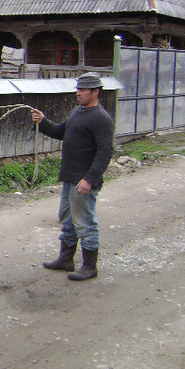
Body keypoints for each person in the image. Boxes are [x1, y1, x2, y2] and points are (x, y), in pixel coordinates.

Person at [30, 72, 114, 280]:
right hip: (69, 177)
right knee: (68, 221)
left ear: (95, 92)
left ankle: (89, 266)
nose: (78, 93)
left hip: (83, 180)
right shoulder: (78, 111)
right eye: (77, 89)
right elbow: (60, 132)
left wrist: (90, 179)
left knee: (84, 222)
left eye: (82, 90)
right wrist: (43, 121)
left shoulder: (101, 119)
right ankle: (66, 259)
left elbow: (105, 152)